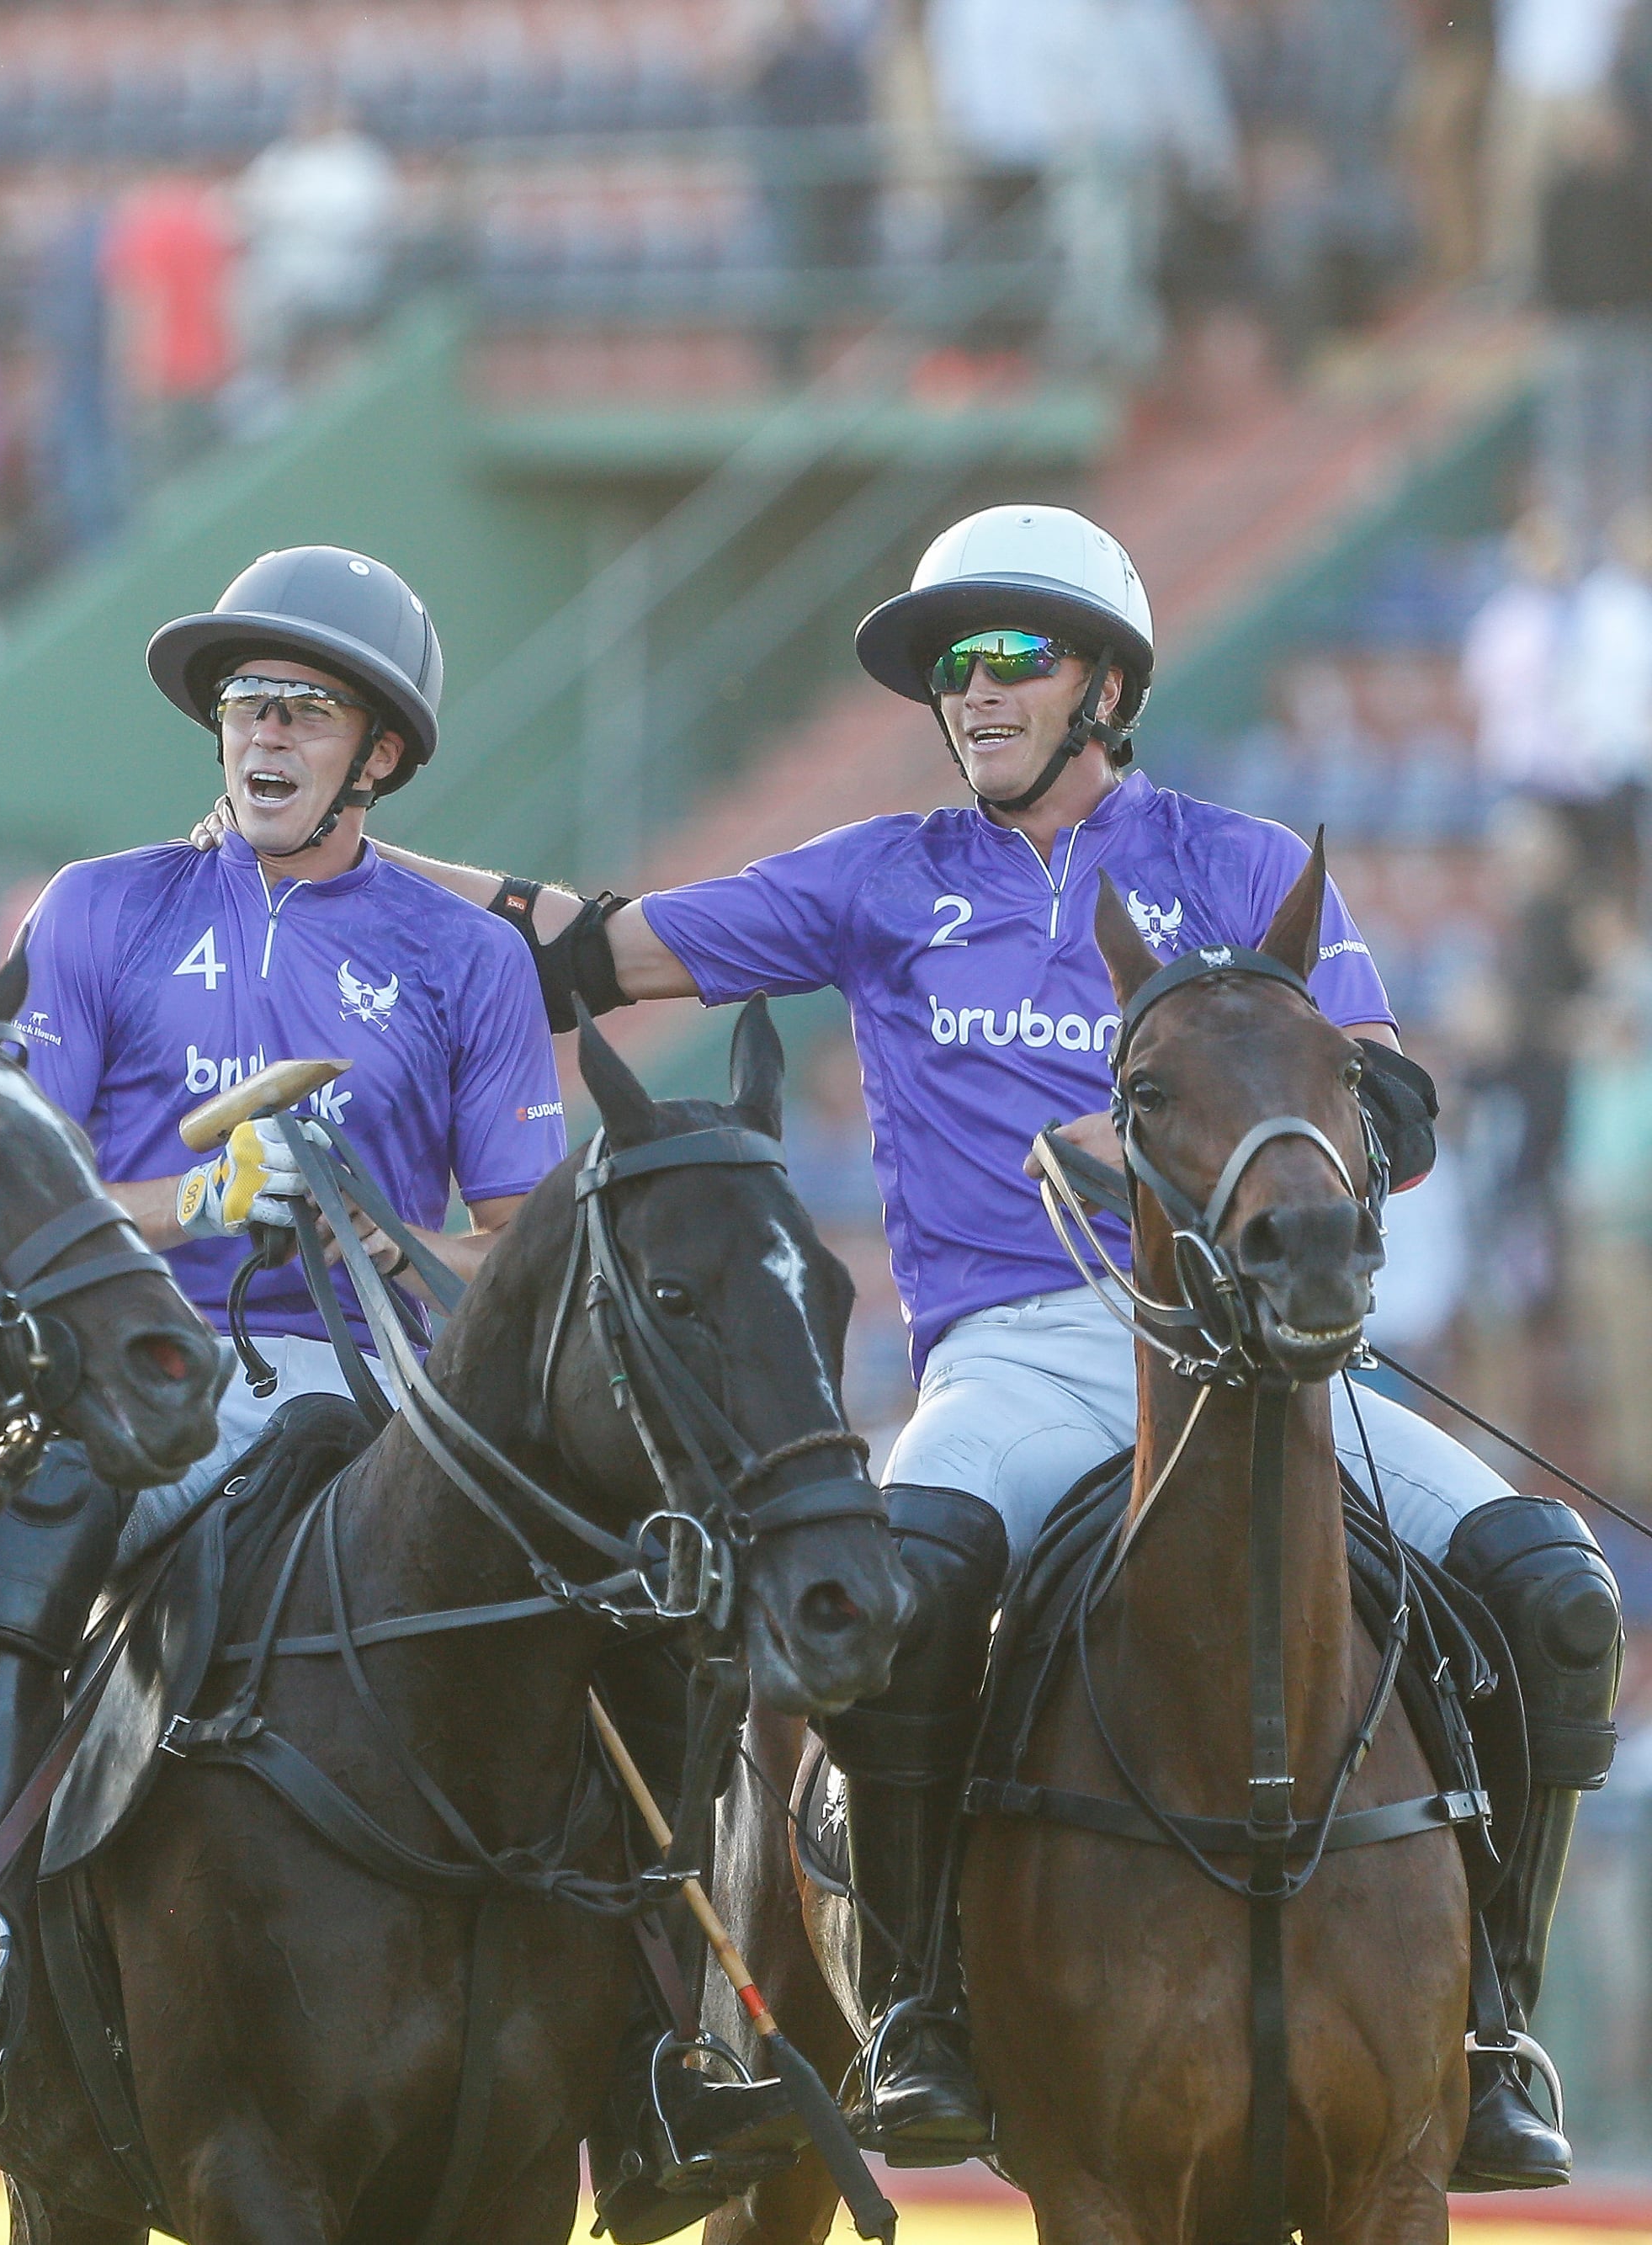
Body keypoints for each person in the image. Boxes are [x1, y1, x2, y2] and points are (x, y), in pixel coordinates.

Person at [370, 503, 1619, 2189]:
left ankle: (1487, 2028)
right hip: (1011, 1350)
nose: (966, 691)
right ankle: (914, 2002)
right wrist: (360, 865)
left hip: (1255, 1348)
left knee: (1552, 1590)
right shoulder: (885, 873)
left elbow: (1384, 1099)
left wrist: (1268, 1165)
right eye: (947, 668)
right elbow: (595, 944)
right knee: (910, 1585)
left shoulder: (1243, 864)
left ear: (1101, 682)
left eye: (1004, 657)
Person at [0, 545, 566, 2092]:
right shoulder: (102, 906)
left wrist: (365, 1219)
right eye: (248, 705)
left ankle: (652, 2017)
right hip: (141, 1364)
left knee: (597, 1578)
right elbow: (17, 1182)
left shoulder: (468, 957)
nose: (262, 738)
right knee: (33, 1501)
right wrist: (195, 1202)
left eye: (304, 712)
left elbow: (522, 1251)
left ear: (380, 753)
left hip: (378, 1377)